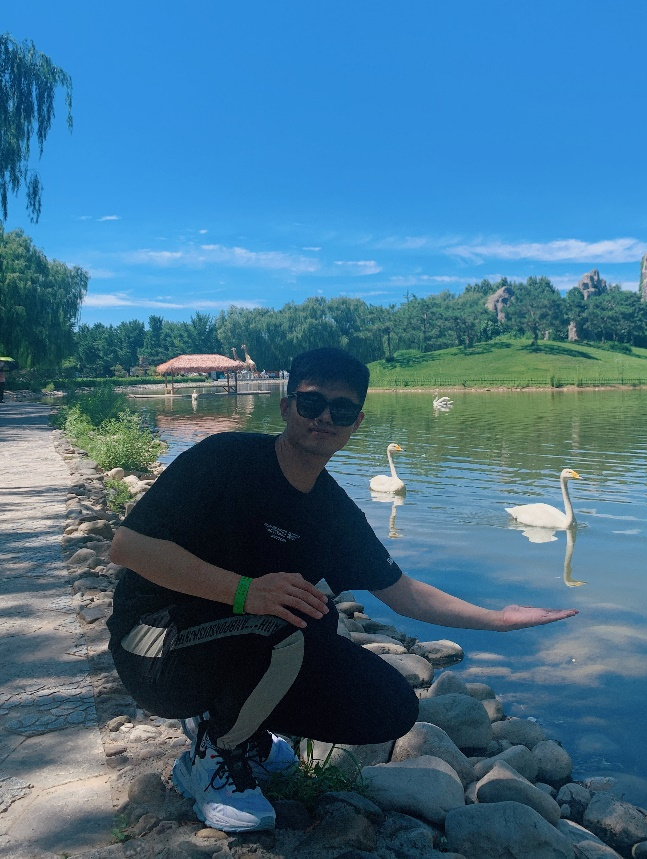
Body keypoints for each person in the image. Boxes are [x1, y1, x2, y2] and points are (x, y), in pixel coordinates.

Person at [107, 347, 578, 834]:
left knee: (388, 705)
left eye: (343, 409)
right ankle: (215, 755)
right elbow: (128, 547)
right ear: (287, 406)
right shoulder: (225, 459)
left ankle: (236, 723)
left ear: (356, 423)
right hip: (152, 646)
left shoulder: (333, 512)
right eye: (312, 403)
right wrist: (245, 591)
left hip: (231, 643)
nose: (325, 417)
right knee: (292, 617)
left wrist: (498, 619)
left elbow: (402, 592)